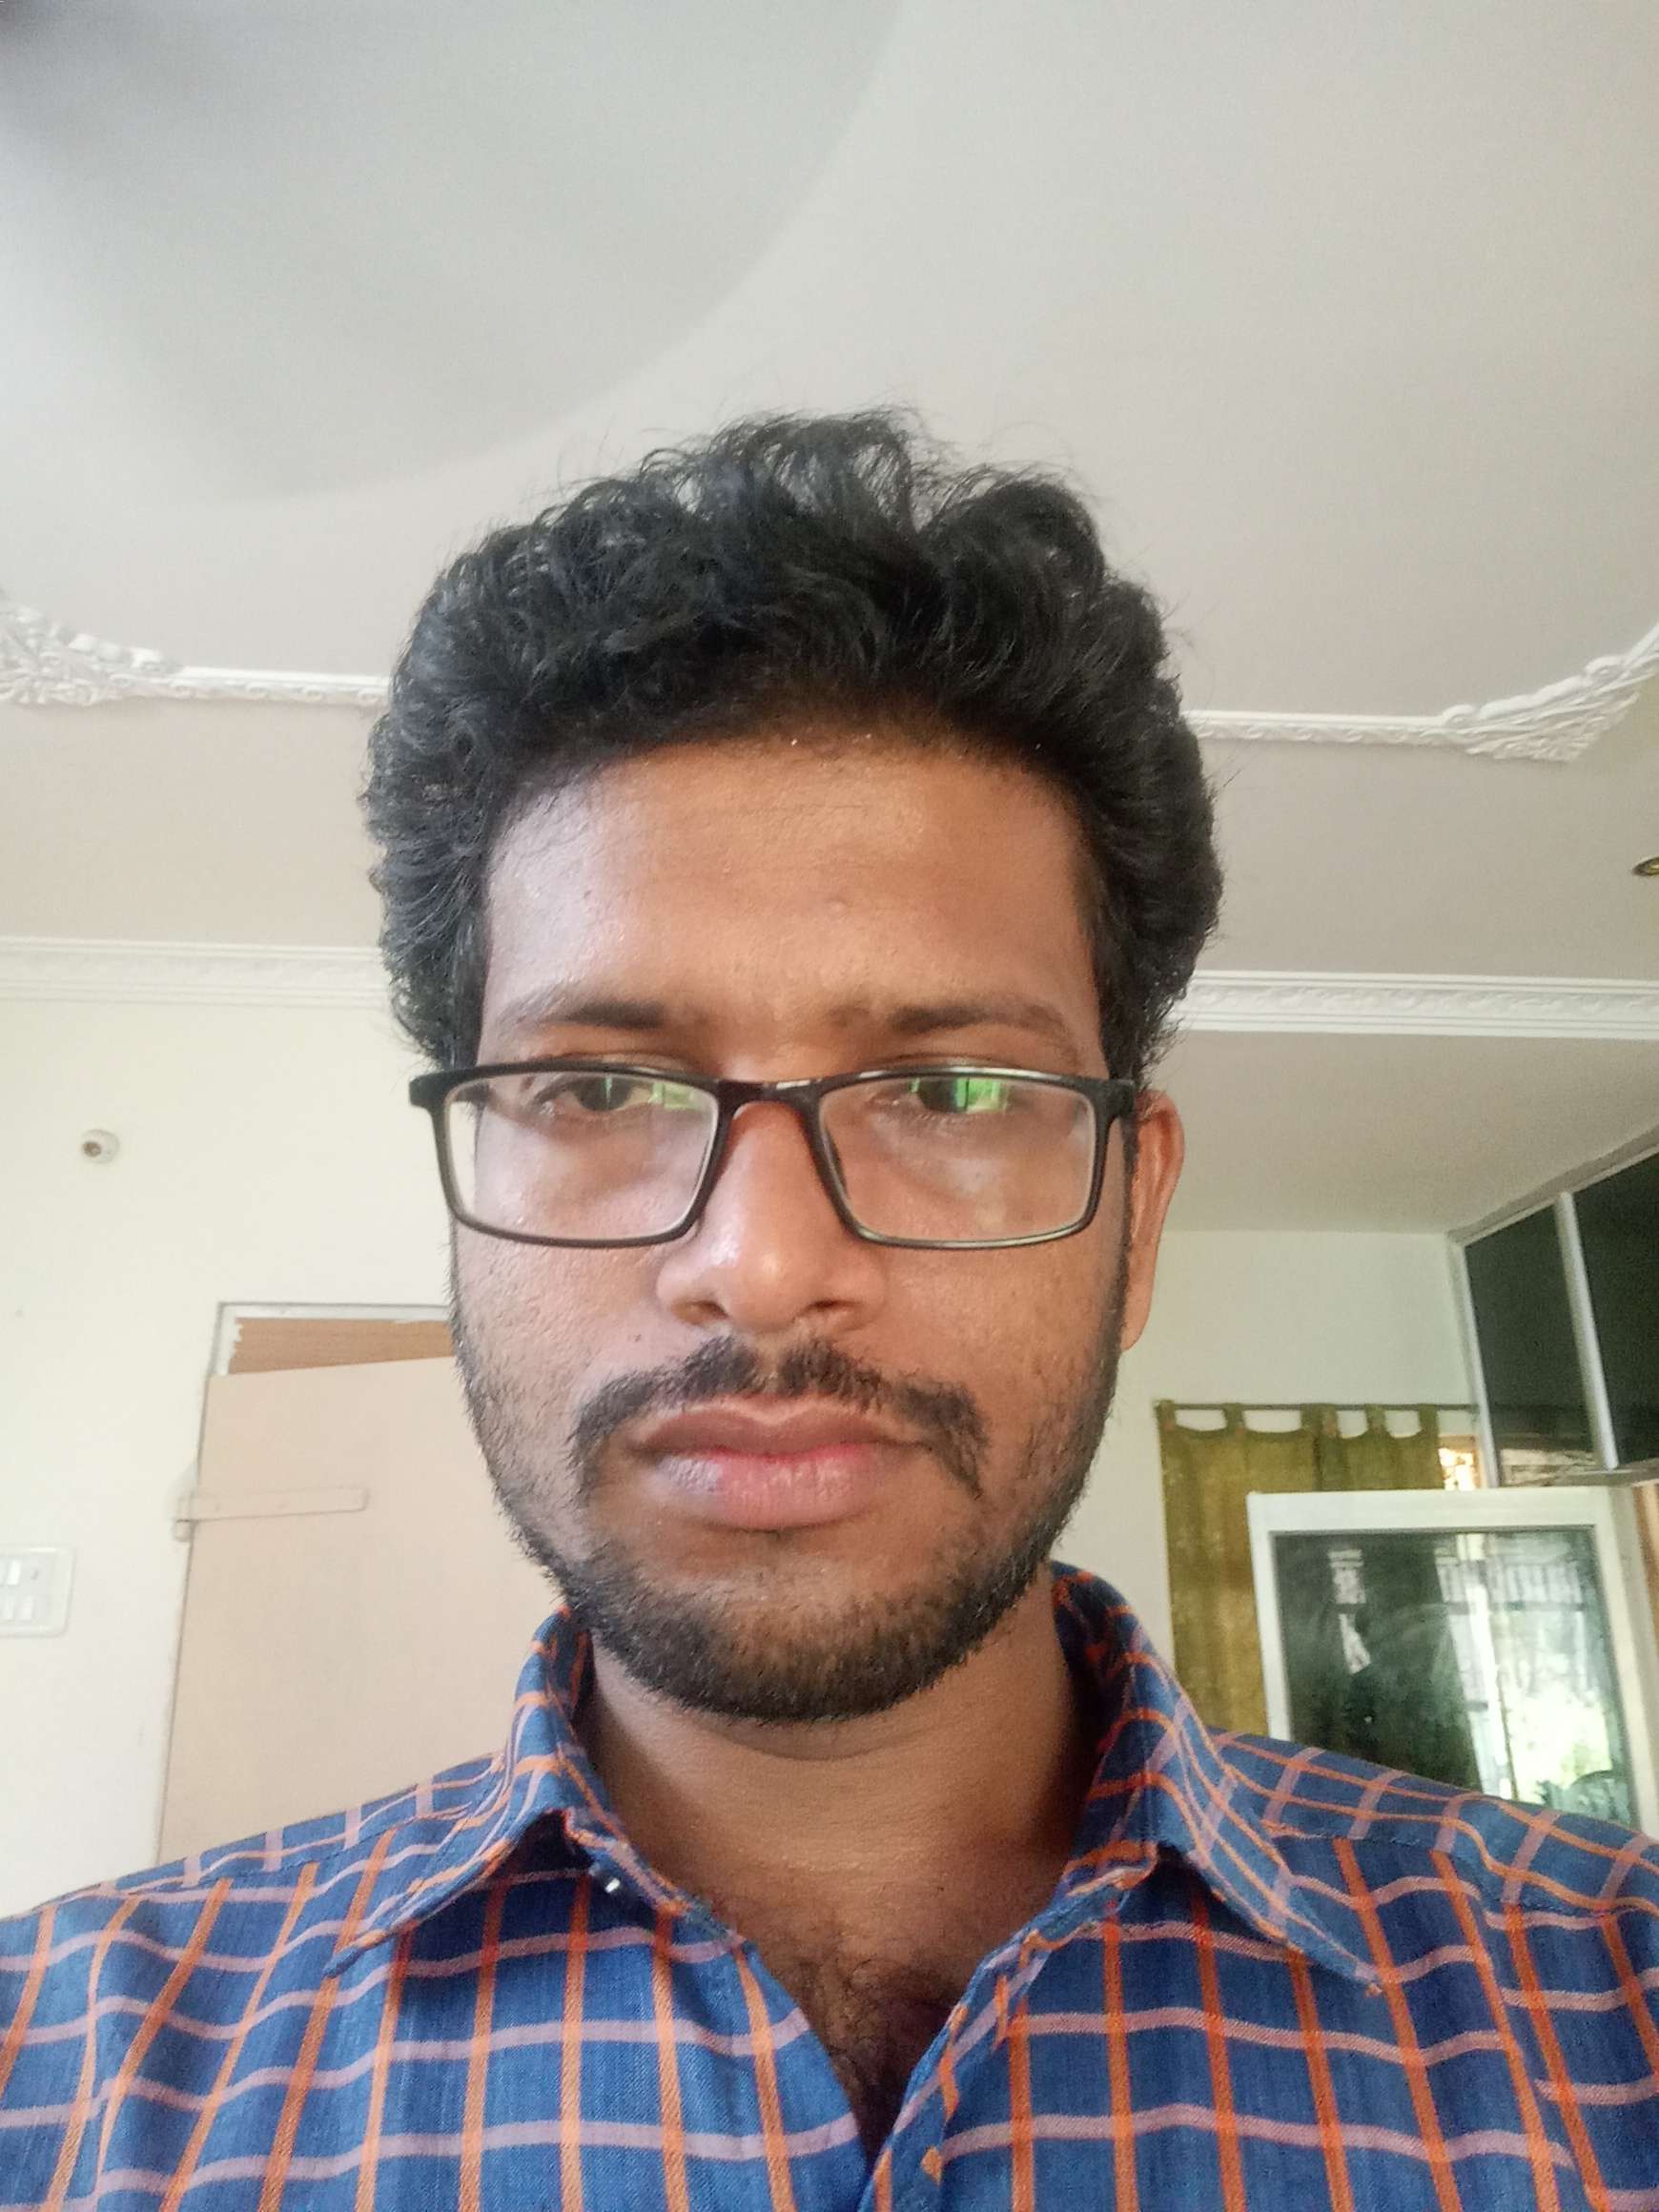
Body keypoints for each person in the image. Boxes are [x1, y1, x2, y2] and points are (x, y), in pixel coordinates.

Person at [4, 415, 1656, 2209]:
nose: (764, 1262)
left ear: (1137, 1215)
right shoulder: (54, 2083)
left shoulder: (1617, 2017)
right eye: (599, 1088)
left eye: (949, 1091)